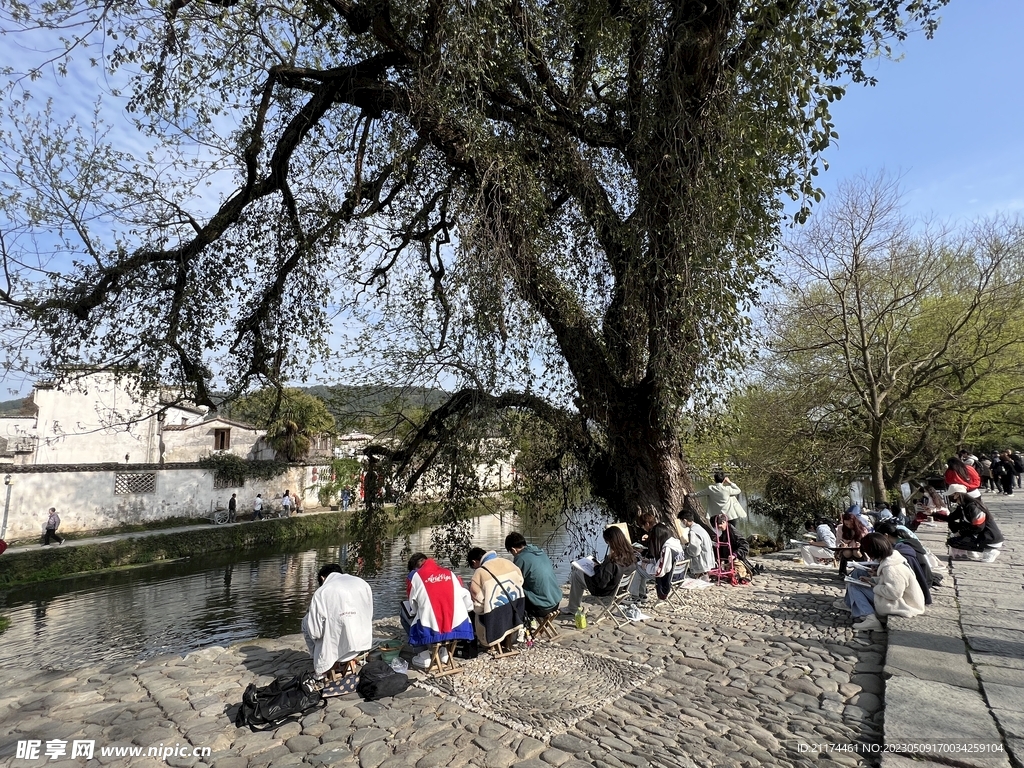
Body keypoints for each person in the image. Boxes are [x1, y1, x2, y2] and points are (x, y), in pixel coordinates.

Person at [838, 532, 926, 632]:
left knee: (855, 586)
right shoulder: (892, 558)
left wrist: (874, 586)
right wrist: (872, 580)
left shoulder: (891, 568)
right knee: (856, 581)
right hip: (900, 599)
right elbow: (891, 583)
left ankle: (870, 618)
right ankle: (860, 609)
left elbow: (893, 593)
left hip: (903, 604)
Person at [302, 563, 374, 678]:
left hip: (336, 653)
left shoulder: (322, 592)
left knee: (306, 622)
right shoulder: (361, 583)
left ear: (322, 578)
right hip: (361, 645)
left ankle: (318, 658)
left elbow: (315, 633)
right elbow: (368, 615)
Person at [403, 552, 475, 652]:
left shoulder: (416, 577)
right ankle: (444, 651)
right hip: (459, 625)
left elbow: (413, 609)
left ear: (415, 569)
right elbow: (467, 599)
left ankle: (424, 652)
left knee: (405, 613)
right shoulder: (449, 573)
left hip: (431, 629)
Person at [562, 526, 637, 614]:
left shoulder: (612, 560)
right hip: (620, 589)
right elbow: (610, 573)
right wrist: (600, 567)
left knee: (577, 574)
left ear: (610, 542)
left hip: (606, 591)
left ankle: (572, 608)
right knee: (580, 573)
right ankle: (572, 607)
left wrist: (596, 568)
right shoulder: (631, 555)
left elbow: (601, 583)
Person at [467, 547, 526, 649]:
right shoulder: (508, 562)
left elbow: (478, 602)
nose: (475, 569)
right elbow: (520, 581)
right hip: (516, 610)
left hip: (496, 617)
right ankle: (508, 640)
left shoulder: (480, 572)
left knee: (476, 612)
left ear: (474, 562)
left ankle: (489, 641)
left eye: (474, 567)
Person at [874, 520, 932, 605]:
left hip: (919, 587)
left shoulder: (899, 550)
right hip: (925, 579)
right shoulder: (907, 541)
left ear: (886, 536)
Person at [505, 532, 562, 618]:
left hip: (542, 608)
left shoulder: (521, 558)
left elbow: (513, 583)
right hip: (556, 603)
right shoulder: (541, 552)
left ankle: (524, 624)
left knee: (512, 594)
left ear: (513, 549)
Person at [945, 483, 1005, 562]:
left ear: (956, 495)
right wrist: (932, 513)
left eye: (951, 495)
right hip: (981, 535)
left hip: (990, 538)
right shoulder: (963, 506)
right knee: (954, 533)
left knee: (954, 541)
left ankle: (990, 551)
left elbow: (978, 527)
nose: (950, 497)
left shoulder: (973, 506)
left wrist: (961, 533)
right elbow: (950, 518)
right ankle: (975, 550)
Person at [632, 512, 684, 600]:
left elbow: (659, 572)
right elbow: (663, 562)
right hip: (678, 574)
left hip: (668, 577)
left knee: (636, 568)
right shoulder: (674, 543)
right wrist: (650, 562)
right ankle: (641, 594)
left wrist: (646, 566)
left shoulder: (666, 549)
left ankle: (634, 596)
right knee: (641, 566)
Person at [678, 509, 714, 580]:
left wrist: (685, 549)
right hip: (707, 560)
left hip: (701, 564)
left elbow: (695, 551)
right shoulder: (699, 528)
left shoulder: (693, 531)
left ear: (685, 521)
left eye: (681, 521)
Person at [836, 511, 870, 577]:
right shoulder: (840, 528)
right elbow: (838, 541)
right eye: (846, 524)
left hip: (859, 551)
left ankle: (862, 570)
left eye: (851, 524)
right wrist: (842, 544)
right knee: (847, 552)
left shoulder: (862, 529)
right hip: (846, 549)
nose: (849, 526)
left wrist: (860, 545)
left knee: (856, 552)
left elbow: (867, 542)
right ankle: (842, 572)